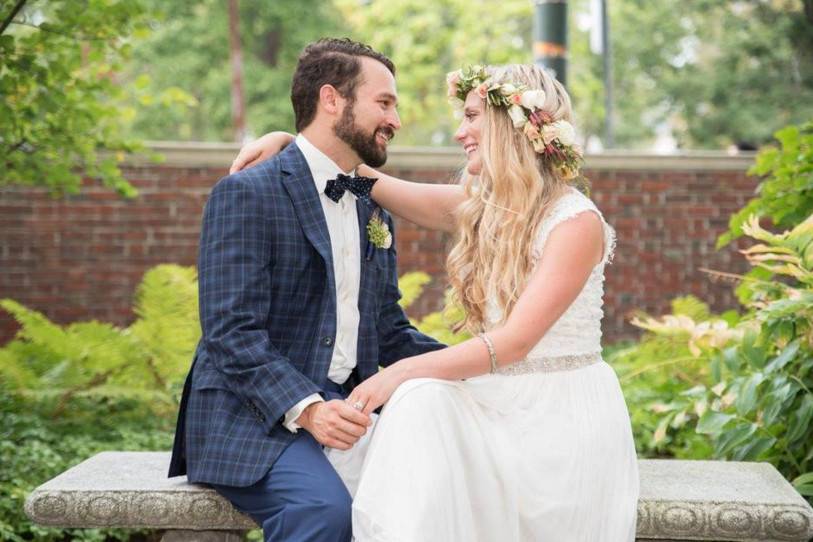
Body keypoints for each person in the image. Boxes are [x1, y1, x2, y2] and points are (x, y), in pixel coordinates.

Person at [232, 63, 639, 541]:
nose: (459, 131)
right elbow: (358, 179)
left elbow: (514, 342)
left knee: (416, 395)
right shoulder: (489, 206)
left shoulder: (574, 223)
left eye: (471, 117)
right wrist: (291, 142)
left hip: (556, 417)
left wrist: (399, 372)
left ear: (511, 124)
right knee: (419, 409)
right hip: (498, 400)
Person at [167, 37, 444, 542]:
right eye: (384, 102)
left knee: (441, 488)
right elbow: (231, 333)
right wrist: (310, 409)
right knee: (323, 509)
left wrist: (477, 364)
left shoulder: (371, 203)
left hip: (350, 407)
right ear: (331, 99)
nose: (396, 120)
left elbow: (389, 330)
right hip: (250, 415)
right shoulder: (247, 192)